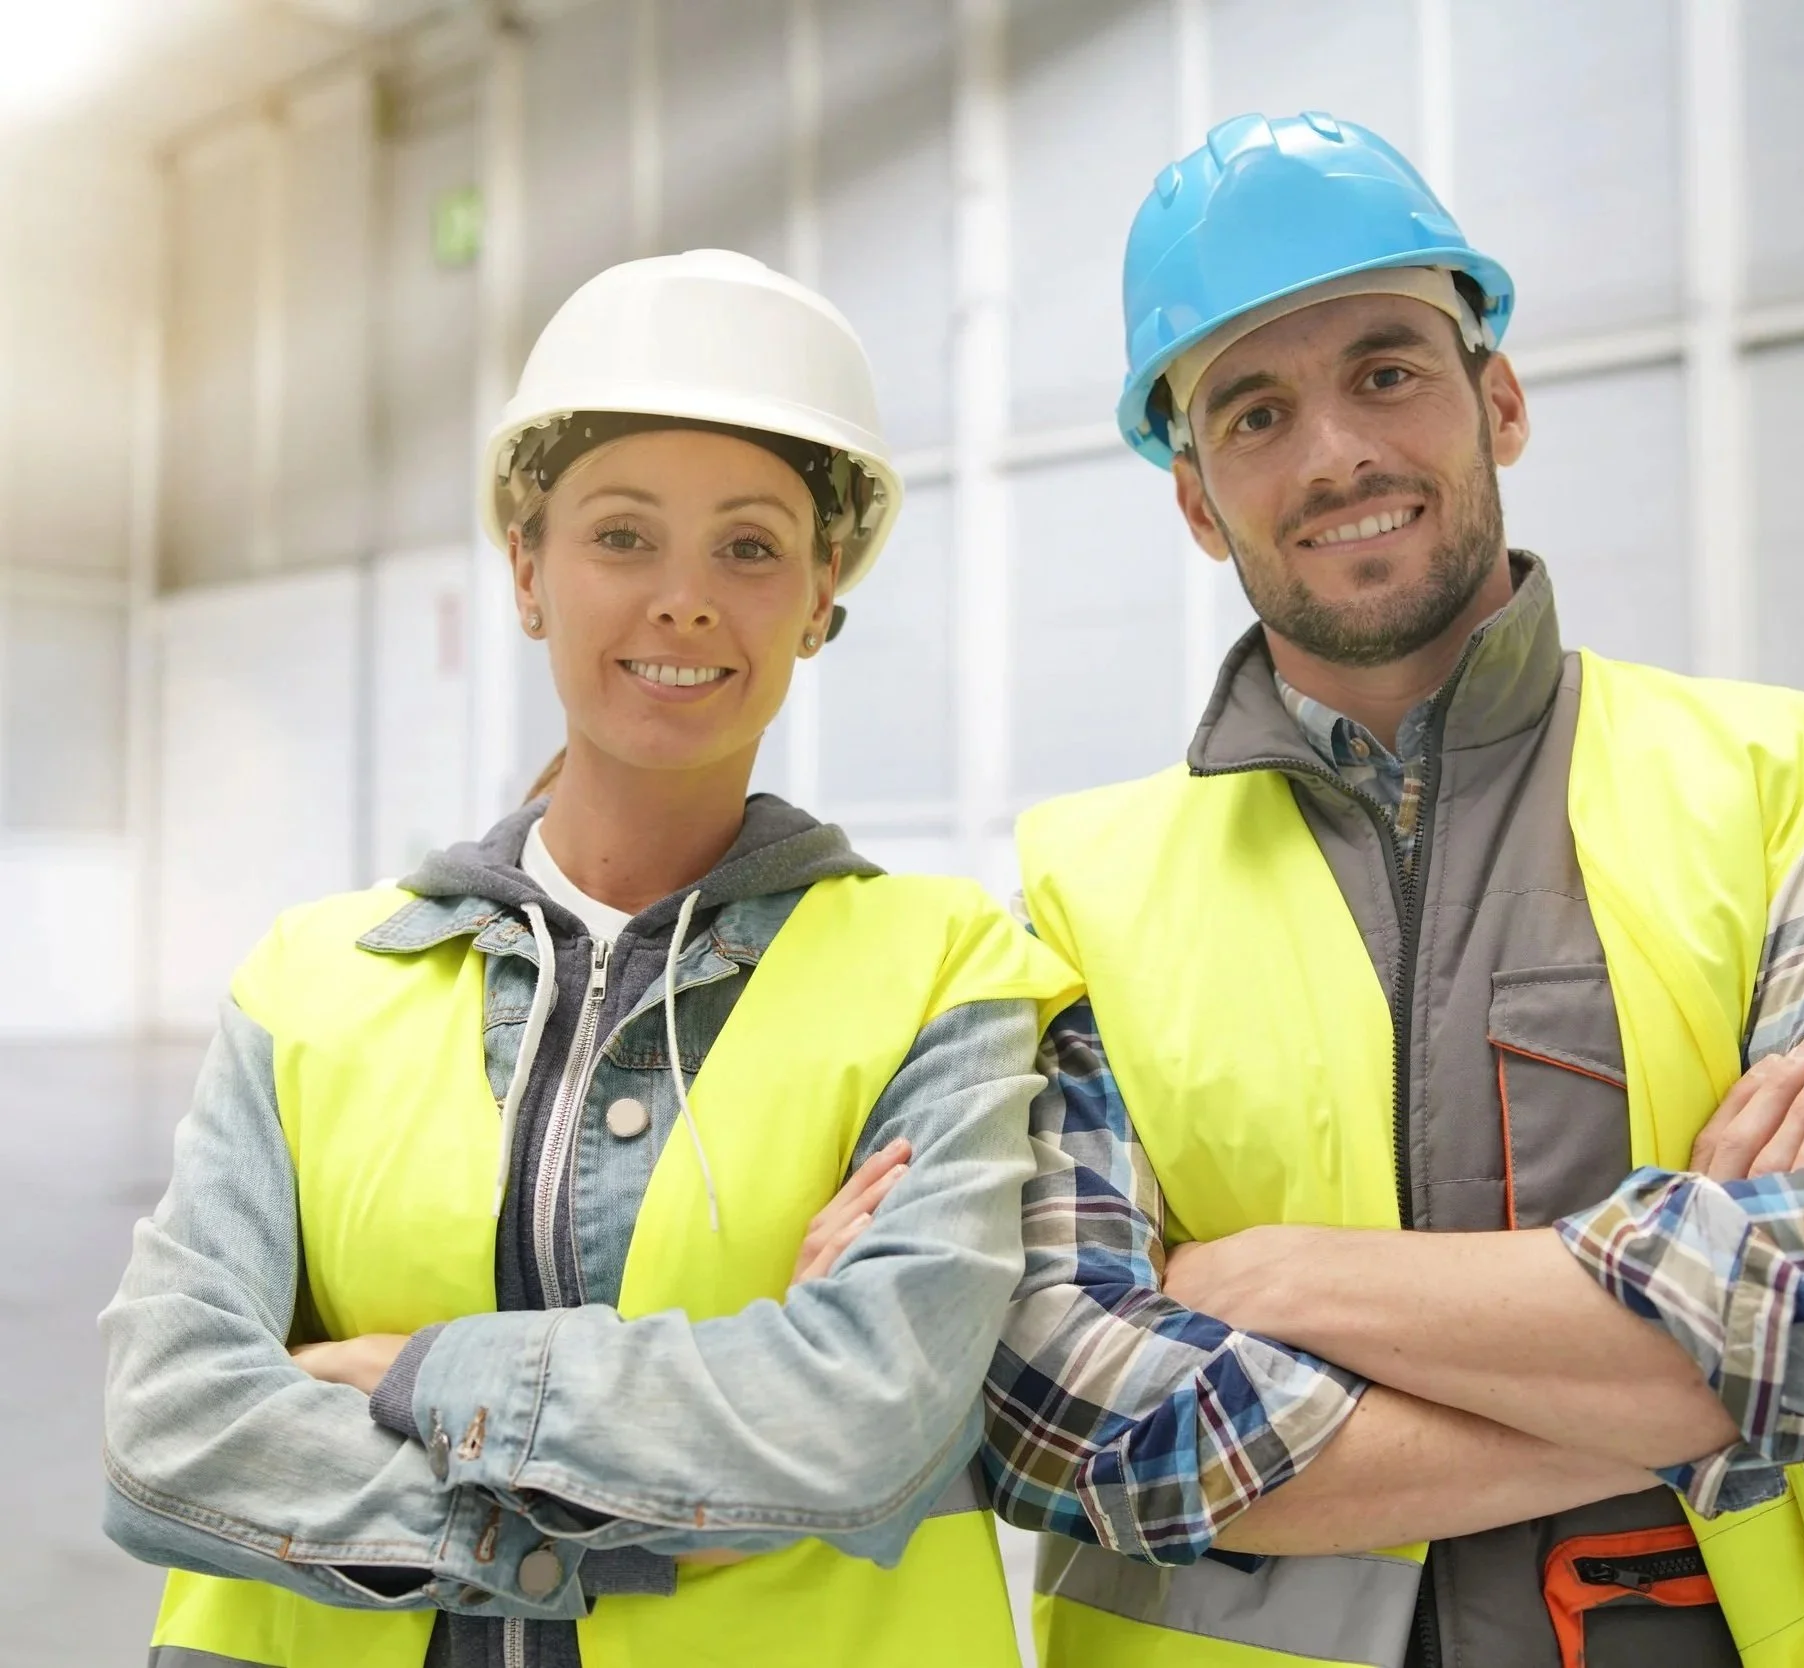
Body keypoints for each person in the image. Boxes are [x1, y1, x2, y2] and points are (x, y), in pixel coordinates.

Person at [984, 113, 1804, 1668]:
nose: (1336, 454)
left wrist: (1284, 1281)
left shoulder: (1791, 785)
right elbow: (1067, 1407)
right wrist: (1696, 1338)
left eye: (1387, 370)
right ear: (1195, 500)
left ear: (1498, 402)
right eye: (1255, 413)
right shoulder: (1082, 895)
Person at [101, 249, 1077, 1668]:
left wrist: (411, 1375)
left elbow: (868, 1414)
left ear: (821, 594)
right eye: (622, 535)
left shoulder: (947, 969)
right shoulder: (309, 982)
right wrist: (705, 1474)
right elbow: (170, 1425)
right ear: (527, 571)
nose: (685, 599)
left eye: (750, 546)